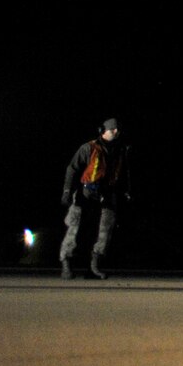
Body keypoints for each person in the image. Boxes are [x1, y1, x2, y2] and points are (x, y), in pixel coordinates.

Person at [59, 118, 131, 279]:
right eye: (112, 129)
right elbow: (72, 169)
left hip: (107, 193)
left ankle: (94, 265)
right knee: (74, 227)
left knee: (105, 229)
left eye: (117, 130)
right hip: (86, 192)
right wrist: (67, 191)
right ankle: (66, 262)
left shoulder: (120, 150)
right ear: (103, 130)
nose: (116, 132)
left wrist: (126, 191)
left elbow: (124, 173)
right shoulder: (89, 147)